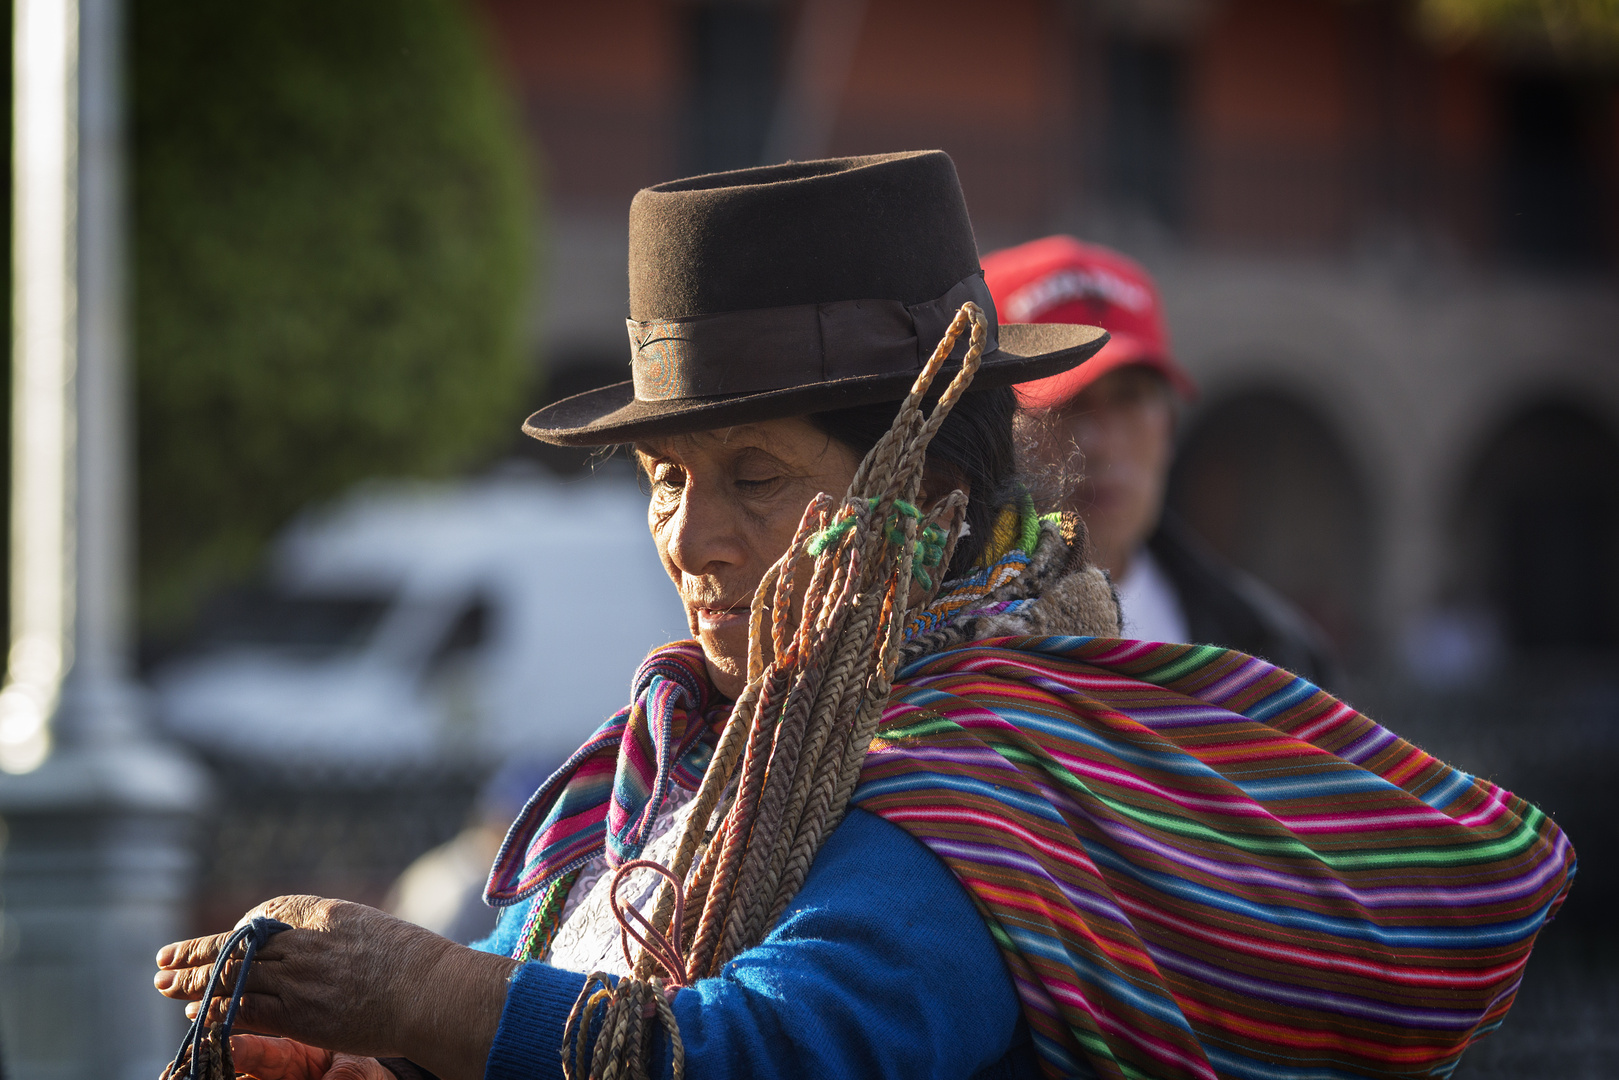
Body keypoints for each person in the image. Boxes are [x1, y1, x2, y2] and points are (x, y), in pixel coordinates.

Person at [155, 152, 1573, 1080]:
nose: (689, 536)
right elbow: (555, 993)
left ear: (932, 503)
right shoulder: (677, 760)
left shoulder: (975, 788)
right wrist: (358, 1059)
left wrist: (420, 995)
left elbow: (774, 1051)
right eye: (663, 478)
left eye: (753, 476)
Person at [983, 236, 1338, 687]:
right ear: (987, 429)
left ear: (1168, 427)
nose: (1100, 444)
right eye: (1062, 400)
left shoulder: (1278, 657)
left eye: (1130, 398)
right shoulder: (915, 653)